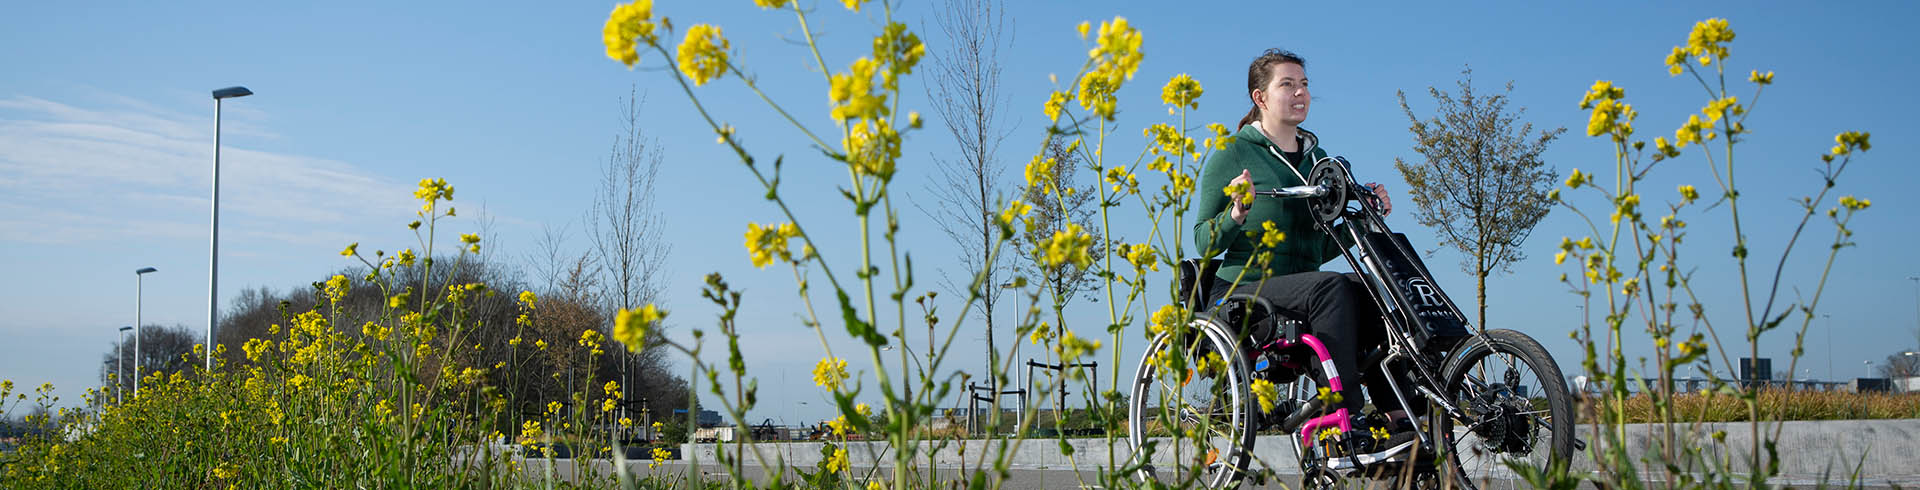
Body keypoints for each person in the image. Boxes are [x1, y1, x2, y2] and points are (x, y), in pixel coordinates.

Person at [1191, 48, 1413, 435]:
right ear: (1260, 98)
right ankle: (1344, 414)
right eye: (1288, 85)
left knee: (1369, 289)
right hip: (1243, 291)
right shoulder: (1232, 153)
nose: (1300, 93)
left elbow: (1322, 245)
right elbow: (1202, 242)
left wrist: (1368, 216)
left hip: (1306, 289)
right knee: (1331, 286)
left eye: (1305, 85)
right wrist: (1236, 214)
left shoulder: (1319, 160)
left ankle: (1402, 415)